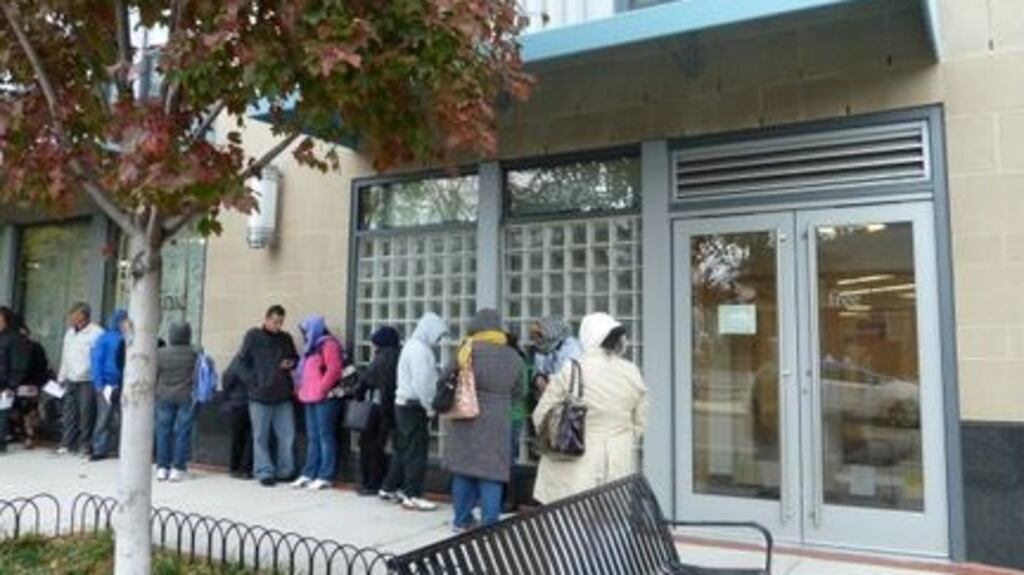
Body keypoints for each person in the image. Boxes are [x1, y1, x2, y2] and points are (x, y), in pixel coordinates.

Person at [531, 312, 647, 504]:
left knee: (570, 527)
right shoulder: (631, 371)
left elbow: (540, 416)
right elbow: (640, 422)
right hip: (618, 464)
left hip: (573, 464)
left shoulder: (572, 369)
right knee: (611, 527)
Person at [442, 309, 523, 532]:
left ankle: (461, 520)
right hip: (498, 421)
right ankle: (489, 524)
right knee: (492, 472)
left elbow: (445, 378)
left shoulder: (466, 350)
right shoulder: (513, 355)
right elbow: (519, 391)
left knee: (464, 468)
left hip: (465, 416)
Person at [380, 312, 447, 511]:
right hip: (414, 406)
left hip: (403, 405)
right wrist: (430, 407)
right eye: (438, 335)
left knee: (403, 449)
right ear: (430, 330)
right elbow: (423, 383)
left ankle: (390, 487)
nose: (439, 340)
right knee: (416, 452)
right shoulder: (421, 350)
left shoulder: (411, 345)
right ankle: (413, 494)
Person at [237, 305, 299, 487]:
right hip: (260, 395)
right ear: (266, 319)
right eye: (275, 321)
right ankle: (264, 471)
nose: (278, 326)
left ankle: (285, 471)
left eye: (281, 322)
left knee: (287, 435)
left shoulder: (286, 338)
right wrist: (254, 382)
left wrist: (291, 363)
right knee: (260, 436)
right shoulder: (253, 336)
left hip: (283, 394)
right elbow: (241, 363)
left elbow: (295, 359)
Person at [291, 315, 344, 491]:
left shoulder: (328, 344)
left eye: (306, 330)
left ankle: (325, 475)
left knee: (325, 437)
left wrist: (321, 389)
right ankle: (309, 472)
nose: (304, 334)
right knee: (313, 437)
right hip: (309, 397)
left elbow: (334, 369)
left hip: (325, 398)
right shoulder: (310, 348)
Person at [354, 326, 401, 496]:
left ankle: (370, 483)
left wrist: (357, 393)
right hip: (395, 408)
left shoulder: (381, 358)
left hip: (376, 409)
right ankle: (387, 482)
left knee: (370, 446)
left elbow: (365, 381)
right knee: (387, 448)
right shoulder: (400, 356)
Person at [154, 322, 199, 482]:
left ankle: (162, 467)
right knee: (182, 432)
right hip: (186, 396)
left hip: (164, 396)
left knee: (163, 431)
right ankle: (178, 468)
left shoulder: (160, 353)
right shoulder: (195, 354)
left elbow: (155, 374)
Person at [57, 302, 104, 456]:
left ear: (83, 316)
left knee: (86, 414)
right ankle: (67, 443)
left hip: (87, 380)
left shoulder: (97, 333)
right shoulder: (70, 333)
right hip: (70, 378)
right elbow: (66, 355)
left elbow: (97, 358)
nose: (71, 319)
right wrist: (61, 376)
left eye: (74, 316)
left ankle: (85, 444)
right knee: (69, 412)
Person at [89, 310, 128, 462]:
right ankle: (103, 447)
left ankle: (104, 447)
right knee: (109, 418)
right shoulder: (107, 339)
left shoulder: (105, 338)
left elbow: (96, 361)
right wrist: (99, 383)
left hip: (113, 384)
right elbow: (97, 361)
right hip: (110, 384)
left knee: (108, 418)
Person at [17, 323, 51, 449]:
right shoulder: (34, 347)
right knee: (27, 411)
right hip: (28, 383)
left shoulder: (33, 348)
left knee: (27, 411)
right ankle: (28, 435)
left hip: (28, 383)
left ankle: (28, 435)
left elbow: (41, 366)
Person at [0, 306, 29, 453]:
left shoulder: (15, 338)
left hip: (5, 384)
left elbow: (19, 364)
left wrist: (12, 384)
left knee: (2, 415)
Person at [220, 355, 253, 479]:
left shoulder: (236, 362)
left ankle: (235, 467)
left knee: (237, 437)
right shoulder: (254, 361)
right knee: (250, 438)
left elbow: (227, 380)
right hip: (251, 402)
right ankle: (245, 468)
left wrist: (227, 399)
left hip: (236, 403)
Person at [529, 317, 583, 393]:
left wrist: (548, 379)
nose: (536, 341)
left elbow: (569, 377)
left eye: (538, 337)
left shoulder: (573, 348)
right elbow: (538, 370)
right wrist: (538, 377)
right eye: (534, 337)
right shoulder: (543, 348)